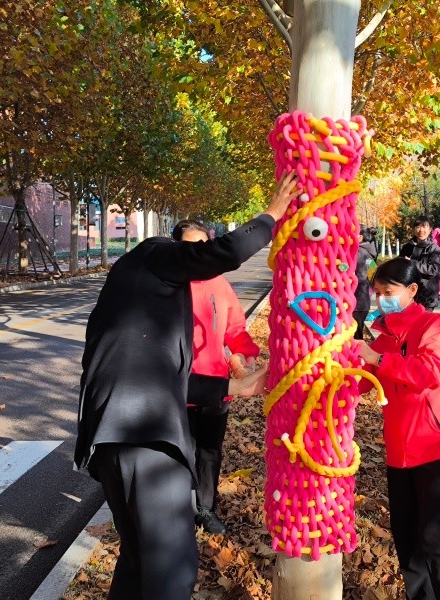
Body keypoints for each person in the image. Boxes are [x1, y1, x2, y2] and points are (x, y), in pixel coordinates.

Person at [73, 173, 300, 600]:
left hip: (114, 441)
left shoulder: (138, 301)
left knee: (139, 561)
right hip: (145, 442)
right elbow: (223, 253)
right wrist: (271, 216)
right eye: (191, 251)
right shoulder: (152, 254)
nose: (198, 260)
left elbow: (161, 380)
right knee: (173, 569)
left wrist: (235, 387)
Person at [355, 257, 440, 600]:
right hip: (400, 449)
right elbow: (359, 382)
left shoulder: (438, 327)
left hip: (437, 445)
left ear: (412, 290)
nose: (381, 300)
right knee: (406, 536)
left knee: (436, 537)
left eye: (388, 292)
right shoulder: (384, 338)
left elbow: (428, 373)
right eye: (377, 293)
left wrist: (376, 359)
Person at [171, 220, 262, 535]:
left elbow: (235, 327)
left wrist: (246, 353)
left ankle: (205, 509)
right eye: (190, 246)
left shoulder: (219, 283)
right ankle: (178, 510)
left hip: (215, 383)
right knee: (180, 451)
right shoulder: (167, 285)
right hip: (177, 386)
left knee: (209, 451)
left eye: (203, 245)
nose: (199, 252)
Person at [400, 215, 440, 311]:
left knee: (424, 320)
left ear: (430, 229)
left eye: (424, 227)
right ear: (414, 229)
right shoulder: (407, 247)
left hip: (427, 295)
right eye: (418, 226)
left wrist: (412, 263)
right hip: (409, 294)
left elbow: (433, 270)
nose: (421, 230)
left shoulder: (434, 249)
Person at [354, 225, 378, 340]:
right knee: (358, 332)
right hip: (363, 300)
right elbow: (373, 274)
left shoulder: (358, 252)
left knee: (355, 335)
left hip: (356, 300)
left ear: (359, 237)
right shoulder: (369, 253)